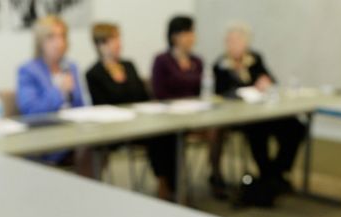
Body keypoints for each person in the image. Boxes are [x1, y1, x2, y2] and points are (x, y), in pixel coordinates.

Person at [85, 22, 179, 201]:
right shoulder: (93, 73)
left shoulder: (128, 66)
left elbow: (143, 96)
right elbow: (102, 105)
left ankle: (169, 185)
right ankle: (166, 186)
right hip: (115, 130)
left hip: (140, 124)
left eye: (118, 39)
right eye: (112, 40)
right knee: (157, 138)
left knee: (168, 133)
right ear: (100, 45)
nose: (118, 44)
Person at [213, 22, 306, 197]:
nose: (232, 45)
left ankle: (277, 171)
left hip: (263, 112)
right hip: (240, 117)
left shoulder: (255, 59)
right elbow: (220, 93)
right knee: (257, 130)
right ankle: (268, 175)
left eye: (236, 41)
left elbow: (270, 80)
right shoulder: (221, 64)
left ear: (246, 42)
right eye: (229, 41)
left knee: (295, 126)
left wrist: (266, 82)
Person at [151, 15, 227, 199]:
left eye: (192, 32)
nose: (191, 37)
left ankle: (215, 175)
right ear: (175, 36)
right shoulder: (162, 60)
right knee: (166, 137)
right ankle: (171, 186)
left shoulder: (197, 61)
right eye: (187, 32)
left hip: (195, 115)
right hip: (170, 116)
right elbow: (158, 92)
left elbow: (202, 91)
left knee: (220, 128)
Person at [16, 15, 91, 169]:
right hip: (45, 138)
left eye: (62, 36)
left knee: (96, 146)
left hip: (73, 134)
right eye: (52, 37)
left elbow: (80, 106)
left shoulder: (71, 67)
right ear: (40, 42)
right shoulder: (28, 70)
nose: (59, 43)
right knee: (89, 150)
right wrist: (59, 91)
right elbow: (30, 111)